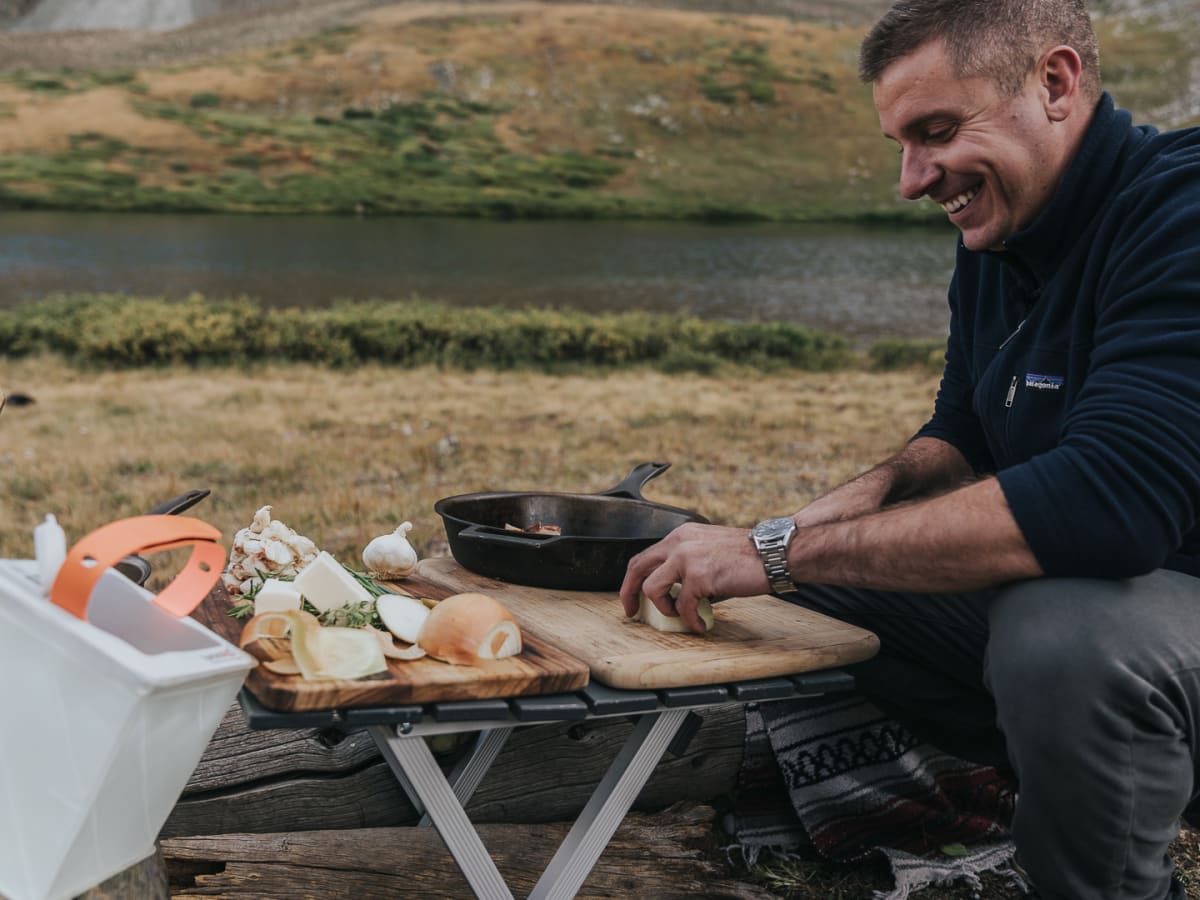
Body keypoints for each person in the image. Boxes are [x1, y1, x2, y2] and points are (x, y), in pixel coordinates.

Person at [618, 1, 1200, 898]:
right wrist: (785, 539)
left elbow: (1112, 505)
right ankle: (1008, 783)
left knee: (1063, 636)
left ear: (1055, 83)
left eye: (935, 132)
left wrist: (776, 552)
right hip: (1128, 610)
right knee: (814, 583)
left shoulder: (1181, 207)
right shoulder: (1003, 230)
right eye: (900, 142)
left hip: (1152, 610)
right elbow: (960, 437)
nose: (911, 179)